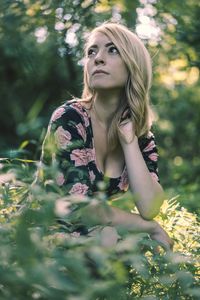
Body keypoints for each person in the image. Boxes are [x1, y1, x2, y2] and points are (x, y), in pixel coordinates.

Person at [40, 22, 173, 250]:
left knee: (116, 238)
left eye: (112, 50)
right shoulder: (70, 118)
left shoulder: (142, 137)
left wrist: (129, 140)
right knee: (109, 236)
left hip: (89, 233)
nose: (97, 58)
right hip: (41, 230)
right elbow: (78, 206)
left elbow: (150, 206)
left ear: (134, 65)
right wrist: (149, 227)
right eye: (92, 52)